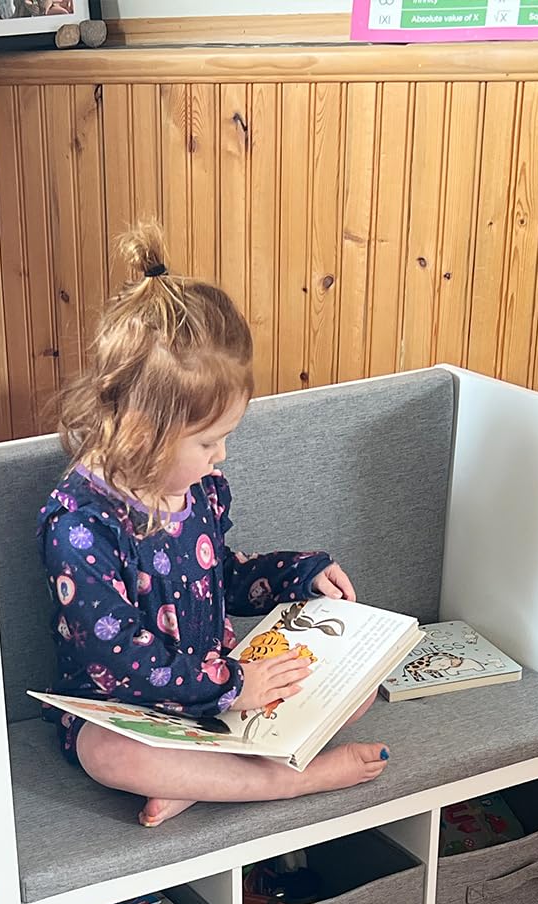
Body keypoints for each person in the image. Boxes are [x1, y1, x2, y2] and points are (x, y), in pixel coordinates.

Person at [39, 221, 389, 828]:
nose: (220, 457)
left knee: (352, 688)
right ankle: (284, 779)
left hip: (222, 685)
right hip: (132, 709)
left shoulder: (196, 490)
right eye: (208, 442)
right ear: (142, 428)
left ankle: (201, 780)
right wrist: (231, 688)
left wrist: (299, 575)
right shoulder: (80, 526)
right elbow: (118, 660)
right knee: (107, 754)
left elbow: (220, 577)